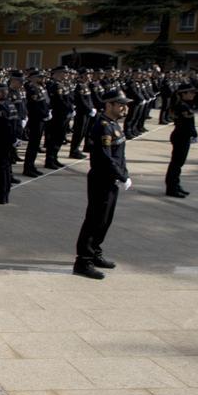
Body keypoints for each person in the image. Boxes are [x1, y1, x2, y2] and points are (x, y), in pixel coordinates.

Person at [73, 89, 132, 280]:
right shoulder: (103, 126)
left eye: (125, 103)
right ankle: (83, 261)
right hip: (102, 178)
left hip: (111, 178)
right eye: (120, 103)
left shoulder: (114, 124)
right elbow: (105, 158)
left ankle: (95, 252)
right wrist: (121, 176)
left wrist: (124, 174)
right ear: (109, 104)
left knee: (105, 219)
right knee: (95, 219)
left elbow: (119, 156)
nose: (125, 107)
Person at [165, 82, 198, 198]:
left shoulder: (184, 104)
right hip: (181, 136)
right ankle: (172, 187)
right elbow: (187, 124)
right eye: (191, 92)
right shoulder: (181, 106)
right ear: (183, 94)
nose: (193, 94)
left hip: (182, 136)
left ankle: (176, 185)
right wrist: (193, 133)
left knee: (178, 163)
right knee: (176, 164)